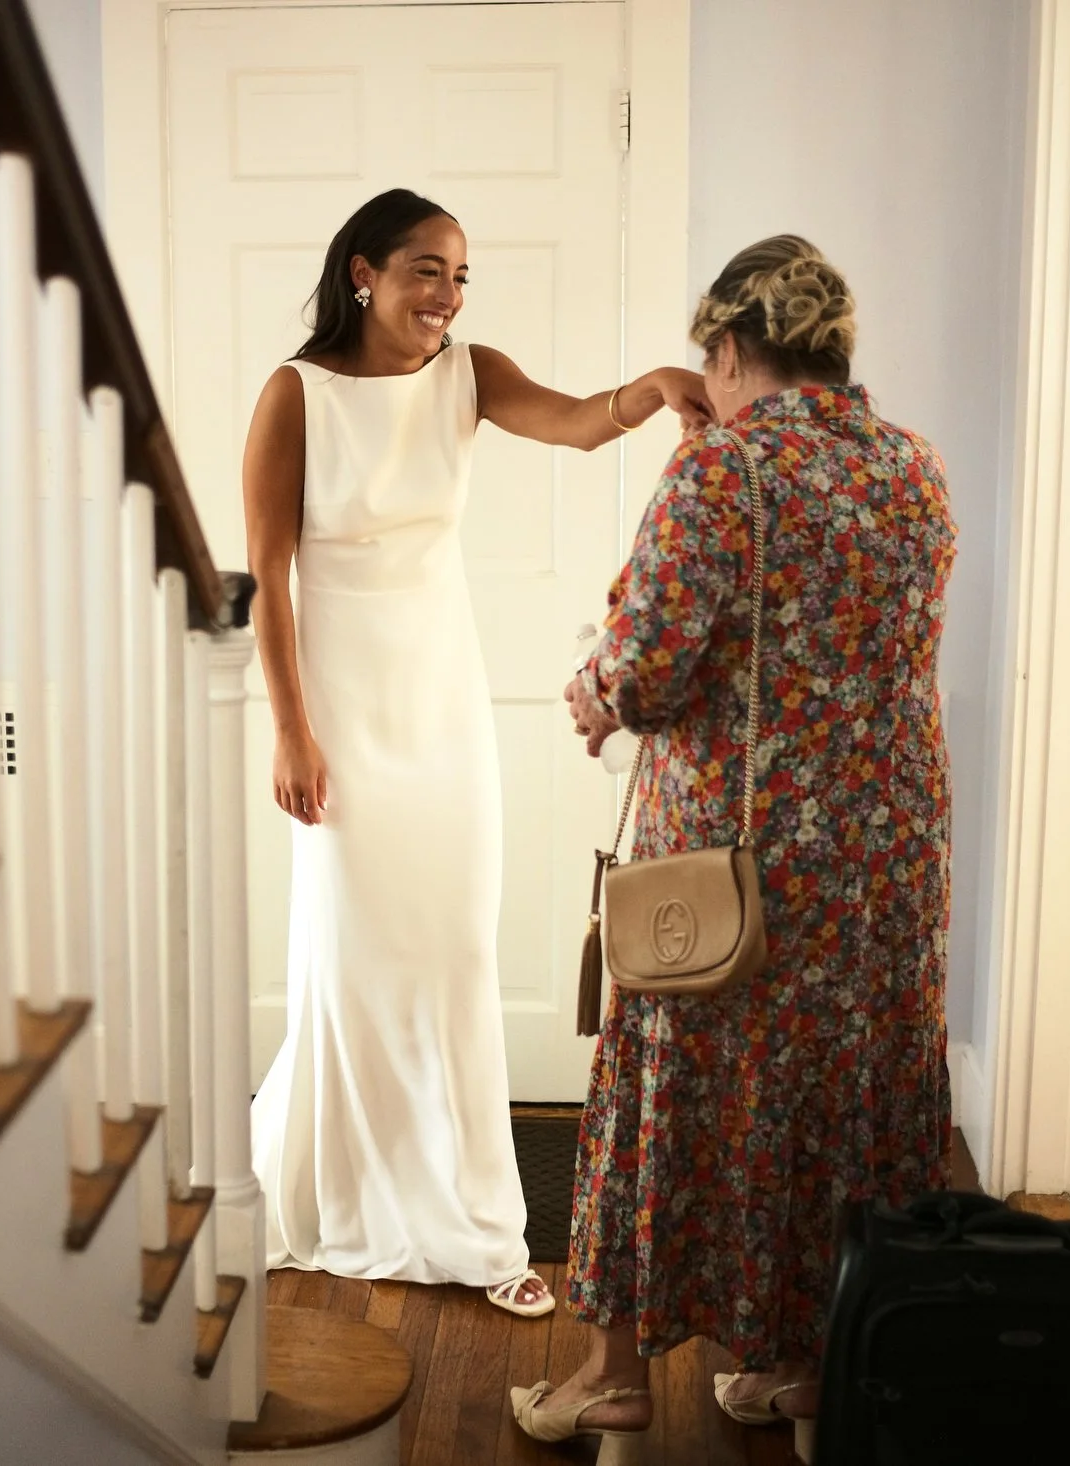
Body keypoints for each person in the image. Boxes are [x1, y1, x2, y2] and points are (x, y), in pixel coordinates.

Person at [511, 235, 956, 1456]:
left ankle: (609, 1379)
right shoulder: (912, 466)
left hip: (737, 865)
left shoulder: (723, 473)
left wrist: (593, 693)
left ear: (728, 349)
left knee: (675, 1094)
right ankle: (807, 1376)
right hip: (884, 863)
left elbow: (649, 666)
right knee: (838, 1105)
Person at [243, 189, 710, 1318]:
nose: (445, 298)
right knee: (356, 952)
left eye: (459, 278)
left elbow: (576, 420)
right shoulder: (293, 394)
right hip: (344, 711)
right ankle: (353, 1188)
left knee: (452, 951)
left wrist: (650, 388)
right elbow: (266, 577)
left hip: (442, 702)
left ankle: (469, 1210)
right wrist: (291, 728)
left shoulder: (469, 370)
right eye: (424, 272)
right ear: (362, 271)